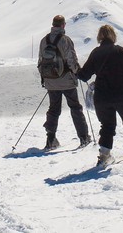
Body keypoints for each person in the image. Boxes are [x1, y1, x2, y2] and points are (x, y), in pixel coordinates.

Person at [77, 23, 123, 166]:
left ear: (99, 37)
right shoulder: (120, 51)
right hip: (122, 94)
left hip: (102, 96)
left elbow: (84, 75)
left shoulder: (96, 53)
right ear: (113, 36)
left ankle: (104, 156)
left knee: (107, 125)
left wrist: (75, 69)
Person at [37, 14, 89, 150]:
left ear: (53, 25)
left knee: (53, 109)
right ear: (63, 25)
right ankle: (84, 138)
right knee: (75, 107)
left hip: (50, 81)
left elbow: (40, 61)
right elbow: (71, 60)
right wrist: (77, 72)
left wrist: (47, 78)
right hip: (67, 81)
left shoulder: (44, 40)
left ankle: (51, 139)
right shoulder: (65, 40)